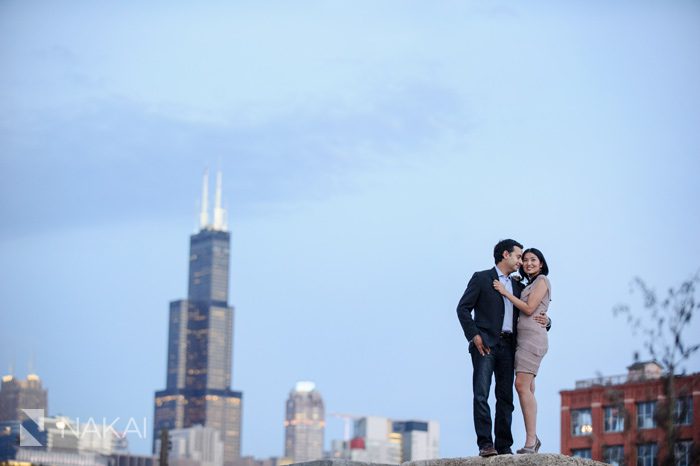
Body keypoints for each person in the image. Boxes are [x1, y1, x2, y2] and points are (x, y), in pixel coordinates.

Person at [456, 239, 549, 457]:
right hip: (485, 344)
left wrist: (548, 320)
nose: (521, 261)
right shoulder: (481, 278)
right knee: (481, 394)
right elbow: (462, 308)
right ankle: (486, 444)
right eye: (519, 256)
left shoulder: (518, 285)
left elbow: (530, 310)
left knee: (506, 397)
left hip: (509, 346)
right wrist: (474, 335)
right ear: (505, 254)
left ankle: (504, 445)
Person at [492, 248, 550, 454]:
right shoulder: (528, 283)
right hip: (521, 340)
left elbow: (529, 308)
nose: (528, 263)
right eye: (525, 260)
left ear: (541, 263)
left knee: (521, 385)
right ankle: (533, 438)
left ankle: (531, 441)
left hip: (533, 341)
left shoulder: (542, 280)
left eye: (533, 260)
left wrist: (505, 292)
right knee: (528, 388)